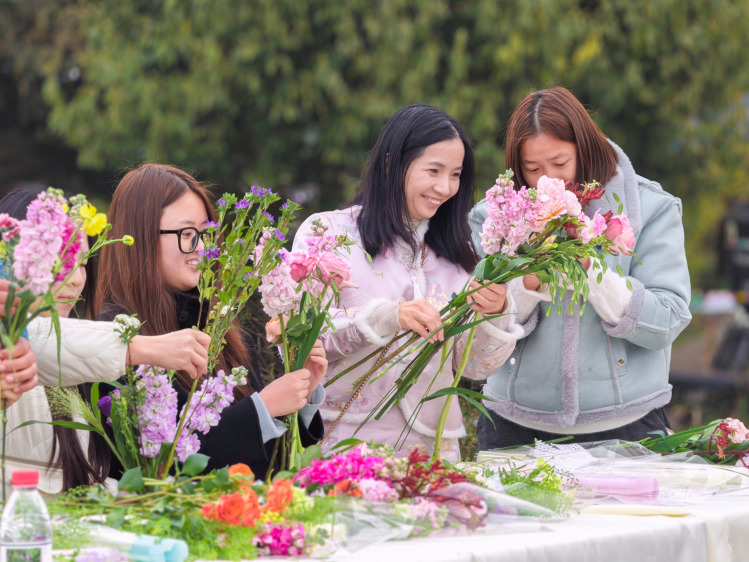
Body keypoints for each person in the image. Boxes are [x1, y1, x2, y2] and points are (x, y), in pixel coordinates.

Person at [293, 104, 522, 460]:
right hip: (346, 442)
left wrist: (496, 311)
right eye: (433, 170)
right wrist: (388, 317)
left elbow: (475, 367)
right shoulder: (328, 233)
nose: (445, 187)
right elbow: (301, 340)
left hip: (434, 449)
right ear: (391, 163)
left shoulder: (458, 254)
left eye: (456, 175)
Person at [468, 87, 692, 449]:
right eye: (532, 169)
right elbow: (474, 337)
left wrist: (593, 273)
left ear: (585, 148)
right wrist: (525, 286)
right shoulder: (493, 218)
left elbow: (669, 319)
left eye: (560, 164)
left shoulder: (652, 208)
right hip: (512, 425)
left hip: (627, 424)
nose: (548, 181)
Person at [94, 163, 326, 478]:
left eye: (205, 234)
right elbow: (158, 464)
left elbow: (271, 464)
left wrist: (302, 394)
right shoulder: (117, 338)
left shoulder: (227, 333)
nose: (201, 248)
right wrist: (263, 408)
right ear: (141, 237)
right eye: (187, 234)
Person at [0, 187, 212, 493]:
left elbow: (79, 485)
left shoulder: (77, 358)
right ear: (13, 258)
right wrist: (141, 347)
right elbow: (36, 340)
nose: (75, 279)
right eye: (59, 261)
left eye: (82, 263)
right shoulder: (25, 344)